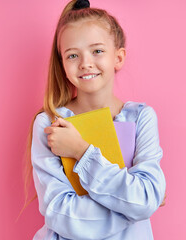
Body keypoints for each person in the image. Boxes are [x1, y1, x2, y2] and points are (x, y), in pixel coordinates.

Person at [25, 0, 166, 239]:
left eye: (97, 51)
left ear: (118, 57)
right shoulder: (50, 124)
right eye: (72, 55)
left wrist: (81, 151)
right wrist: (136, 207)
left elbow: (145, 199)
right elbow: (61, 215)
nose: (85, 63)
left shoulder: (141, 117)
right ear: (62, 63)